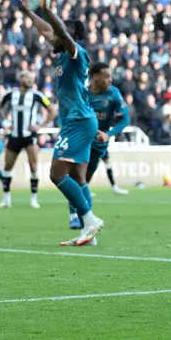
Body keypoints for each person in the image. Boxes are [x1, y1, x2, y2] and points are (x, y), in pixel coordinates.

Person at [20, 0, 103, 246]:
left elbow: (60, 33)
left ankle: (89, 220)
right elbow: (47, 30)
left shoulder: (76, 54)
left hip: (78, 121)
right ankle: (88, 233)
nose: (51, 35)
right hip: (79, 120)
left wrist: (46, 9)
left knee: (56, 174)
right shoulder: (63, 56)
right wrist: (30, 13)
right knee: (79, 178)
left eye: (59, 31)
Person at [66, 62, 130, 233]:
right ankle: (76, 216)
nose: (110, 80)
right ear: (95, 77)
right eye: (106, 76)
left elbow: (125, 119)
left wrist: (109, 134)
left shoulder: (113, 94)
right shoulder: (83, 94)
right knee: (77, 177)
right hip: (81, 141)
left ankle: (83, 216)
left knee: (85, 180)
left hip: (99, 144)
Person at [0, 71, 57, 209]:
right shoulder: (11, 94)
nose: (30, 80)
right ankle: (6, 199)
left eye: (32, 78)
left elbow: (52, 111)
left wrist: (41, 126)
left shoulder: (37, 95)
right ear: (20, 78)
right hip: (15, 135)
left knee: (34, 166)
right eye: (28, 78)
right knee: (7, 167)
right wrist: (5, 122)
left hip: (30, 137)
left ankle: (34, 198)